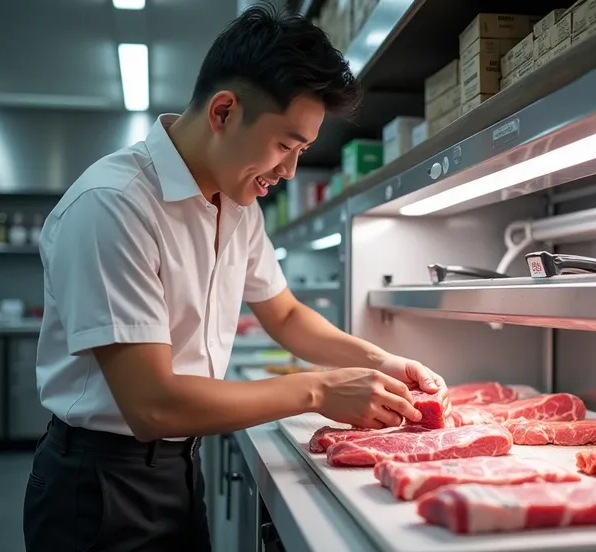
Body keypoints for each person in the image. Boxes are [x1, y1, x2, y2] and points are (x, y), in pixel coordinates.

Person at [23, 4, 446, 552]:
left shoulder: (238, 204)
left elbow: (286, 314)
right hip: (99, 485)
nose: (290, 170)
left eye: (302, 152)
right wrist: (317, 388)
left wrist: (380, 361)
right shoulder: (115, 205)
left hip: (179, 467)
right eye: (284, 145)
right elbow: (152, 405)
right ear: (223, 111)